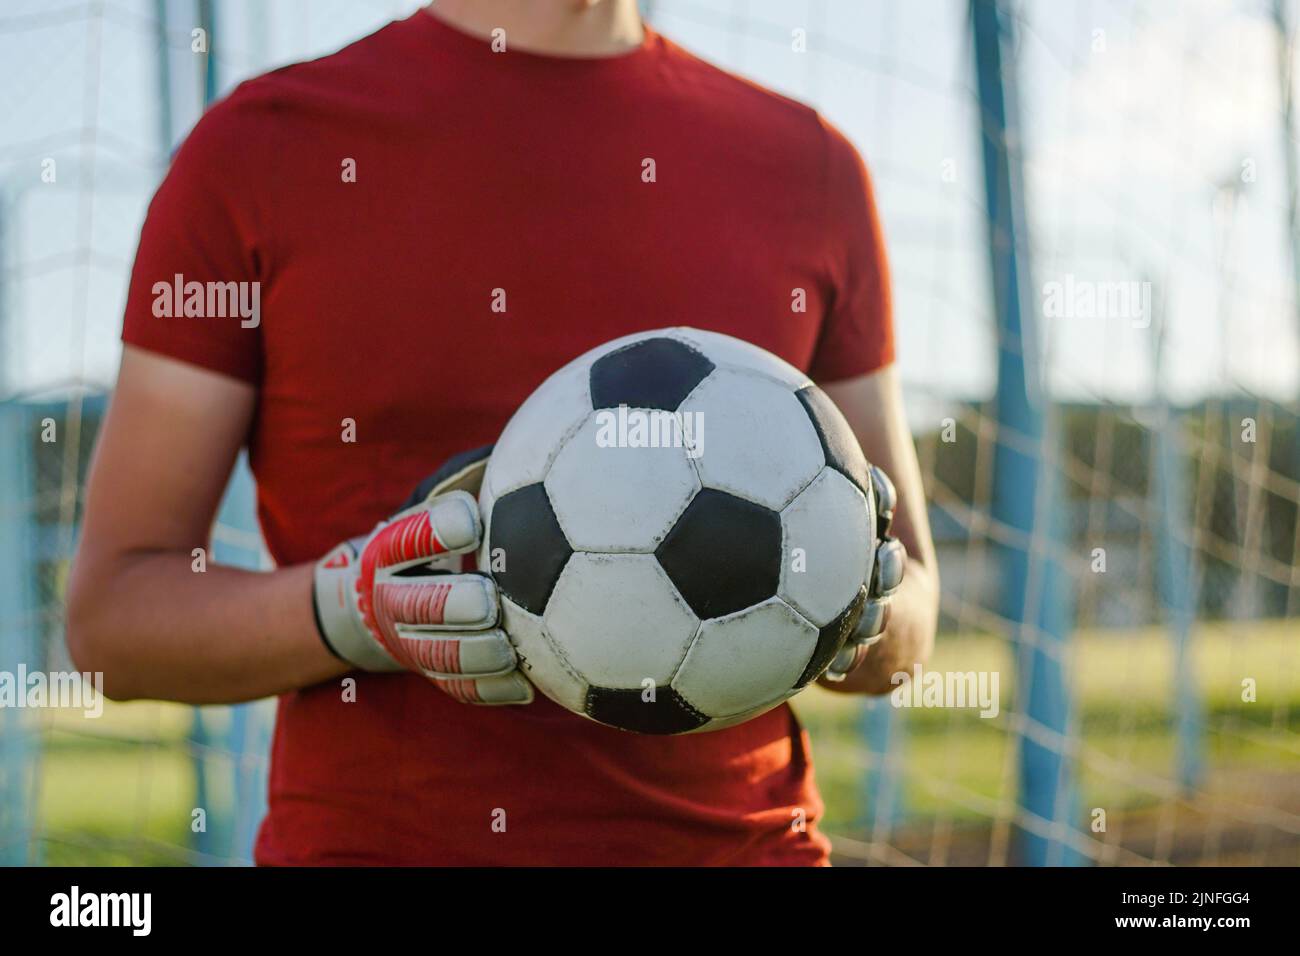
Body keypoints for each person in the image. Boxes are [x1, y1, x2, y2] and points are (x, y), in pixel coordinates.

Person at [67, 0, 939, 865]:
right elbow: (114, 621)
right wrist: (349, 612)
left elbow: (913, 606)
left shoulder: (808, 166)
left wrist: (861, 612)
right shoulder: (260, 149)